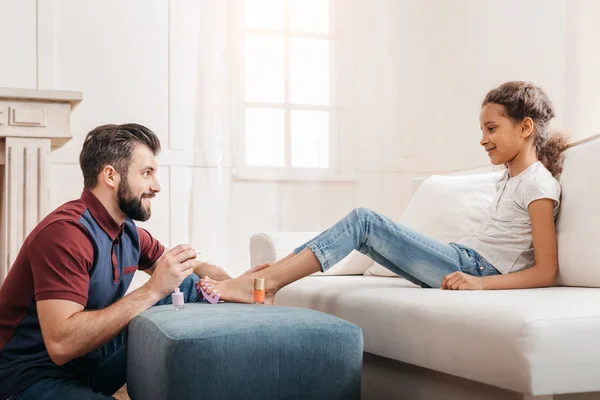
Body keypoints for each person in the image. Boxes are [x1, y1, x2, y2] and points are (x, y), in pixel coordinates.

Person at [199, 81, 570, 305]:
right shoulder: (508, 178)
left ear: (524, 128)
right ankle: (261, 280)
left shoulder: (538, 184)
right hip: (462, 257)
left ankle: (261, 286)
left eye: (491, 128)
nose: (483, 139)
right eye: (483, 129)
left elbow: (546, 271)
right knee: (361, 230)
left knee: (364, 220)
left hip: (473, 267)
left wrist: (480, 282)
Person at [0, 124, 266, 399]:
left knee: (187, 284)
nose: (156, 187)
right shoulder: (65, 234)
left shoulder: (127, 231)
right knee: (163, 289)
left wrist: (234, 284)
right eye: (147, 173)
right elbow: (61, 344)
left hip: (86, 363)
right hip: (27, 377)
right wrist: (152, 290)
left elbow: (187, 268)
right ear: (111, 176)